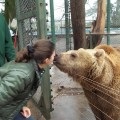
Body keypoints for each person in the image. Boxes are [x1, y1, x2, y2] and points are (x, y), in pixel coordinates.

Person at [0, 39, 55, 120]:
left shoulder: (32, 65)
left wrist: (21, 107)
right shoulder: (23, 76)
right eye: (53, 55)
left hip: (9, 107)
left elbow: (19, 93)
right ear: (46, 60)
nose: (55, 57)